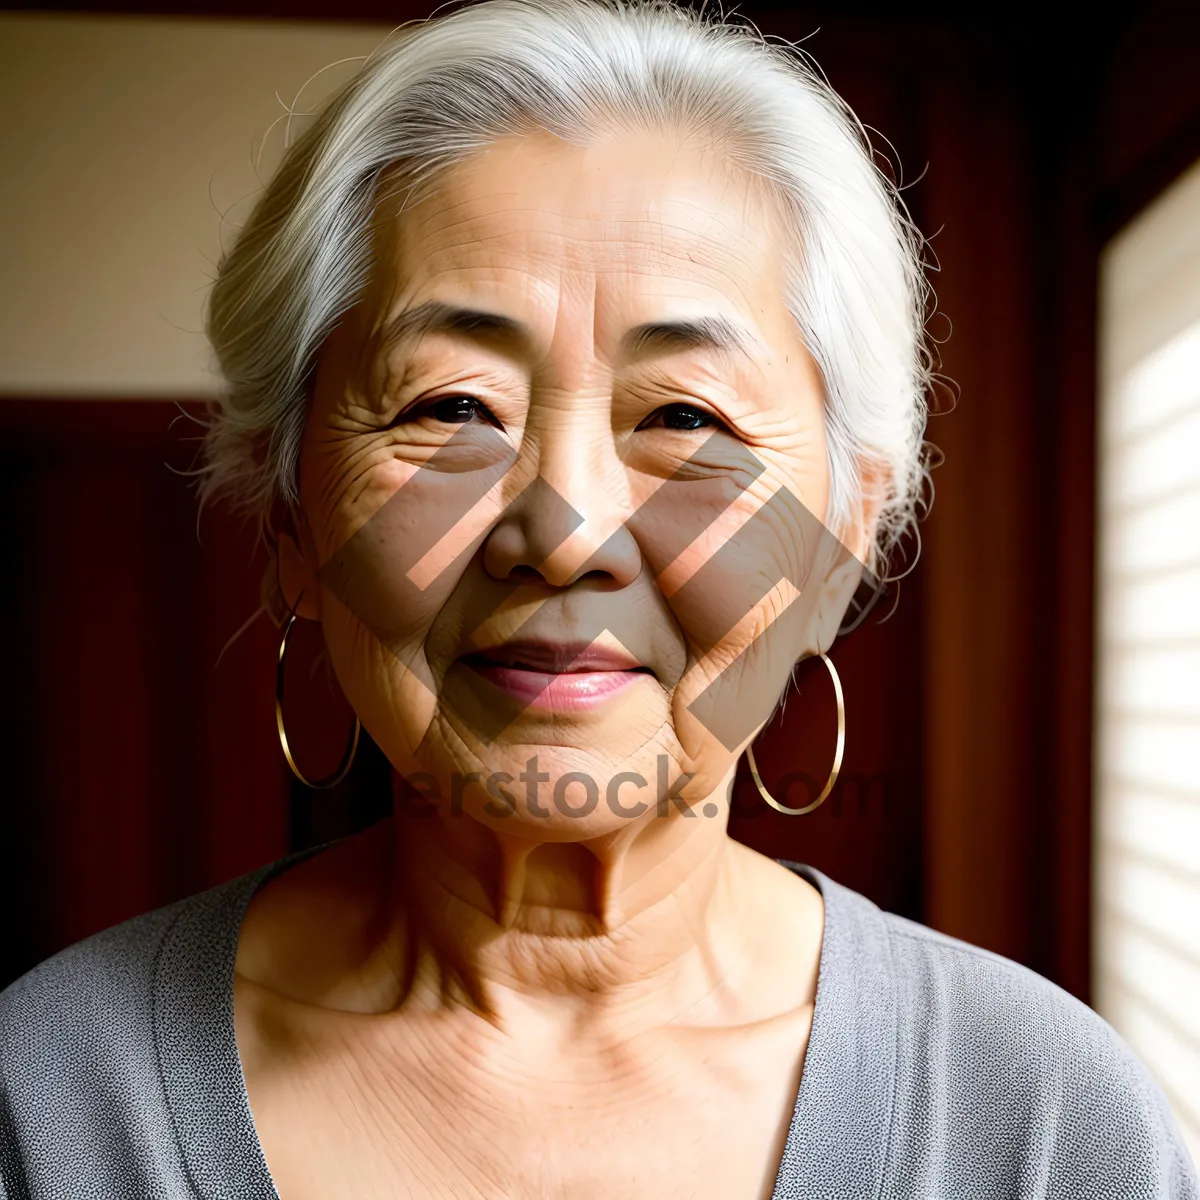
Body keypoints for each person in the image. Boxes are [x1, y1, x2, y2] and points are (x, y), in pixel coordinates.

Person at [2, 1, 1196, 1196]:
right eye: (451, 406)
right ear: (288, 532)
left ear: (842, 547)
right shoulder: (47, 1104)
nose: (563, 538)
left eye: (687, 418)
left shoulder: (1044, 1121)